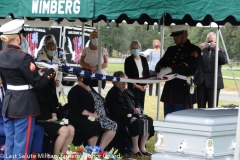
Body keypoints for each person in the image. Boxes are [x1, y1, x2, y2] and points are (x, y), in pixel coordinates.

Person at [0, 19, 56, 160]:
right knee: (22, 147)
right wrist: (51, 72)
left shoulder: (0, 55)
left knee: (10, 143)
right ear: (18, 36)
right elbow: (38, 83)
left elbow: (6, 79)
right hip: (24, 104)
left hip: (9, 102)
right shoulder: (24, 58)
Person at [155, 25, 201, 117]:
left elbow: (188, 65)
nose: (175, 38)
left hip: (183, 91)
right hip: (169, 90)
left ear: (185, 34)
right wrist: (161, 69)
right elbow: (159, 64)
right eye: (174, 36)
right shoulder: (171, 50)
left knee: (183, 120)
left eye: (178, 35)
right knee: (168, 118)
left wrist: (171, 69)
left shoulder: (194, 50)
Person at [105, 71, 154, 156]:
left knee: (149, 120)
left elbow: (137, 101)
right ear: (116, 82)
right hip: (120, 117)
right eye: (122, 80)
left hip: (132, 114)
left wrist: (138, 108)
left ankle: (142, 148)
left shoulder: (128, 91)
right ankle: (135, 148)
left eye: (125, 80)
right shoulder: (113, 93)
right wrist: (131, 111)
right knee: (137, 122)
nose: (125, 83)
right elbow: (115, 110)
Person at [68, 70, 117, 151]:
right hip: (82, 117)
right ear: (80, 78)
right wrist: (90, 114)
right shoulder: (75, 91)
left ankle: (100, 150)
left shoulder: (90, 88)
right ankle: (92, 149)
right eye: (87, 76)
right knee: (94, 125)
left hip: (98, 116)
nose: (90, 78)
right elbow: (76, 107)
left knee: (113, 125)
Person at [35, 77, 74, 156]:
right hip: (39, 119)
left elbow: (53, 107)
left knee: (71, 129)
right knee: (64, 130)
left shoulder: (48, 88)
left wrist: (54, 117)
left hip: (50, 119)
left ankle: (63, 156)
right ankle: (55, 156)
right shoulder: (32, 89)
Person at [194, 32, 227, 108]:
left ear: (216, 41)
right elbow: (195, 61)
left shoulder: (220, 50)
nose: (211, 44)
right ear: (206, 41)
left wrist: (216, 49)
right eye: (209, 42)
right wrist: (199, 49)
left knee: (212, 107)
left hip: (214, 82)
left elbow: (223, 61)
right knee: (201, 107)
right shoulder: (203, 49)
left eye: (213, 42)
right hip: (201, 82)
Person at [124, 40, 150, 110]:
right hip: (133, 86)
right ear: (131, 49)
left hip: (143, 85)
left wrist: (146, 84)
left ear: (139, 48)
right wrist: (135, 85)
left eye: (137, 48)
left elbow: (147, 73)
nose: (135, 49)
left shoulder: (144, 59)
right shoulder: (128, 60)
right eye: (133, 48)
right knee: (134, 105)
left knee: (141, 104)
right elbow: (127, 74)